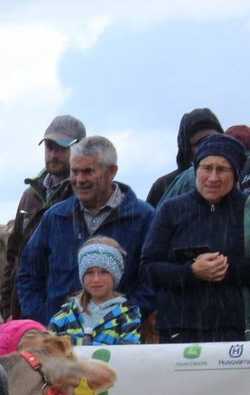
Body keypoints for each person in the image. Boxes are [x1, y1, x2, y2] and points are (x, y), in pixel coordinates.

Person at [16, 136, 155, 328]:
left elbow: (153, 281)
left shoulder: (143, 218)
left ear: (111, 172)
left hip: (120, 338)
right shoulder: (54, 217)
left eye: (88, 171)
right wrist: (43, 318)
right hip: (57, 337)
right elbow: (28, 273)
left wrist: (125, 317)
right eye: (75, 171)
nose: (80, 179)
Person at [139, 134, 248, 343]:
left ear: (235, 173)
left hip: (235, 329)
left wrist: (224, 268)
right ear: (196, 169)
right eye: (207, 168)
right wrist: (190, 272)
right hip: (178, 328)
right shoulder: (171, 210)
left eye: (222, 169)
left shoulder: (247, 210)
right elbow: (148, 268)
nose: (213, 177)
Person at [2, 115, 84, 319]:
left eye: (62, 148)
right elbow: (13, 253)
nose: (54, 155)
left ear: (80, 149)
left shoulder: (84, 196)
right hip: (24, 309)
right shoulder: (30, 195)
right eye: (49, 147)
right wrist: (7, 308)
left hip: (68, 311)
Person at [47, 238, 143, 345]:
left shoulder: (128, 316)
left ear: (115, 275)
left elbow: (128, 351)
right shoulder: (64, 316)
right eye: (89, 272)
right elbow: (48, 349)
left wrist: (75, 343)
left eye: (104, 272)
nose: (96, 279)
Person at [146, 108, 223, 207]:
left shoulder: (234, 179)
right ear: (186, 149)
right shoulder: (163, 186)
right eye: (200, 143)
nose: (209, 146)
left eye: (214, 139)